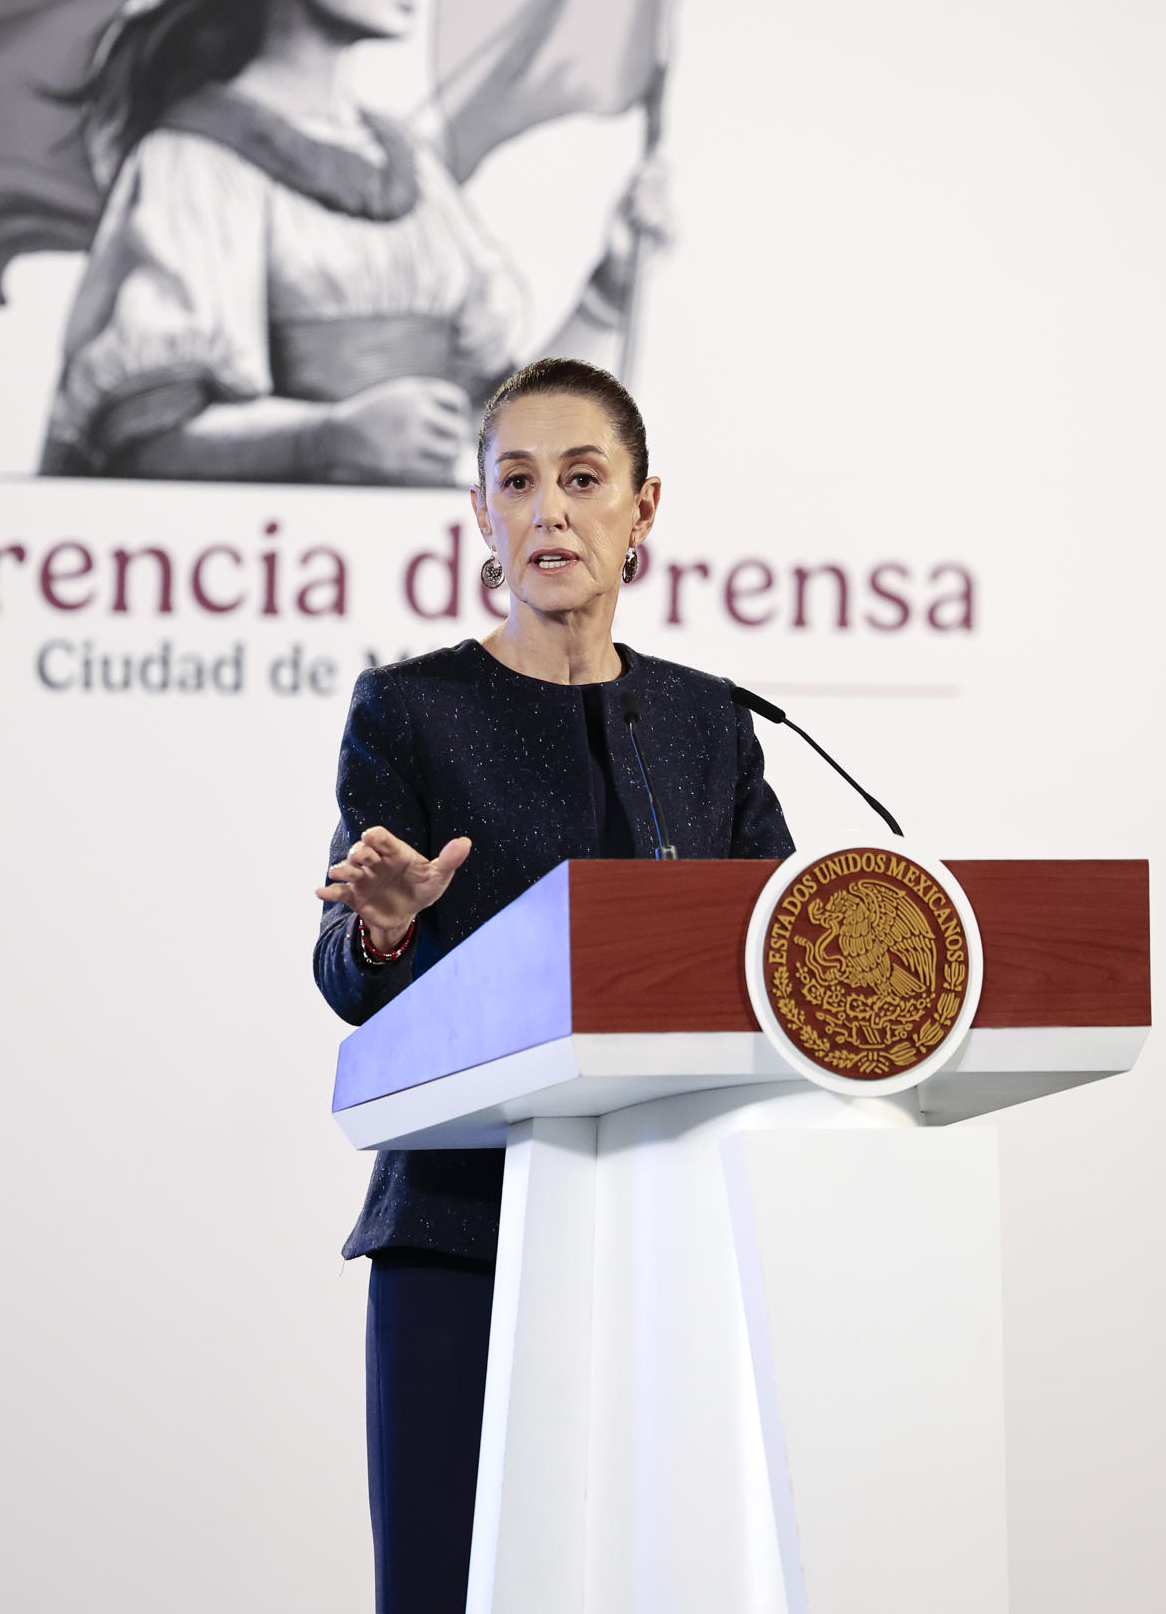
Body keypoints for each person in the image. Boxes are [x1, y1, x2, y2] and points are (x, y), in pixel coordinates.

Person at [314, 356, 793, 1613]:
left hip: (675, 1231)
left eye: (582, 480)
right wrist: (388, 928)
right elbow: (349, 976)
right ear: (480, 513)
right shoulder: (410, 709)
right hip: (462, 1229)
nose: (547, 512)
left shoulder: (705, 722)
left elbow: (783, 948)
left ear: (642, 509)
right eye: (515, 482)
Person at [38, 0, 661, 483]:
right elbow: (143, 443)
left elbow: (506, 436)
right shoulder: (194, 160)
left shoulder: (411, 167)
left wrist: (608, 288)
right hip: (263, 567)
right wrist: (328, 438)